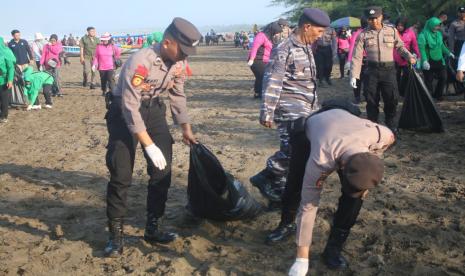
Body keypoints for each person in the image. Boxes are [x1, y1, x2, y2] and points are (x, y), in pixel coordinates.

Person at [103, 17, 201, 257]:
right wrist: (147, 144)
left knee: (162, 171)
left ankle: (153, 227)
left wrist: (185, 128)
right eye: (183, 50)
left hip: (154, 110)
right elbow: (129, 106)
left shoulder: (179, 62)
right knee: (121, 173)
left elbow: (178, 96)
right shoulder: (141, 61)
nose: (184, 56)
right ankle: (115, 236)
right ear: (168, 42)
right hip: (124, 112)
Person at [288, 109, 395, 276]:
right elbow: (308, 206)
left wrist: (373, 158)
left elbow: (389, 140)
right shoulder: (321, 159)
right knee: (296, 182)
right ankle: (285, 222)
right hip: (312, 130)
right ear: (342, 168)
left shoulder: (383, 135)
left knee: (354, 198)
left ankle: (333, 249)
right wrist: (301, 259)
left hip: (350, 127)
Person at [250, 8, 329, 206]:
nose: (321, 36)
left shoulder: (305, 47)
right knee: (291, 152)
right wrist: (267, 111)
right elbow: (272, 80)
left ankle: (276, 191)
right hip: (289, 111)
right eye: (319, 31)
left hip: (306, 109)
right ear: (307, 26)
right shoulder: (284, 48)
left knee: (296, 153)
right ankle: (269, 178)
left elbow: (308, 83)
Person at [351, 6, 416, 131]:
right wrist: (354, 75)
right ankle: (373, 126)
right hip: (371, 71)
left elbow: (400, 47)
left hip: (389, 71)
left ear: (381, 17)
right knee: (371, 100)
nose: (374, 21)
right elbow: (357, 57)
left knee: (391, 99)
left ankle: (390, 124)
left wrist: (409, 56)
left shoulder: (391, 31)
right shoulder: (363, 34)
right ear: (367, 20)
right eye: (370, 19)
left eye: (376, 18)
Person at [418, 17, 454, 101]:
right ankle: (429, 97)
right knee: (428, 80)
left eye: (438, 26)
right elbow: (422, 49)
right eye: (435, 26)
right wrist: (425, 61)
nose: (437, 28)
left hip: (439, 59)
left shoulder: (438, 34)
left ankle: (438, 94)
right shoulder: (423, 35)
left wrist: (448, 53)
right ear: (430, 25)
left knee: (443, 77)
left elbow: (441, 46)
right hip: (428, 60)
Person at [247, 22, 283, 98]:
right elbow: (255, 47)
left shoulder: (270, 38)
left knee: (260, 77)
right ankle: (260, 94)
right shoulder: (261, 36)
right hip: (257, 60)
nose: (276, 34)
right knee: (262, 76)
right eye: (276, 32)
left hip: (265, 60)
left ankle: (257, 93)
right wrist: (252, 59)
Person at [394, 17, 420, 97]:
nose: (399, 27)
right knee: (396, 76)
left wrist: (418, 55)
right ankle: (397, 91)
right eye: (398, 25)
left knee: (406, 75)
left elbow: (414, 45)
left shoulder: (410, 33)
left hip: (407, 57)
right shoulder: (393, 32)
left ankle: (404, 91)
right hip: (395, 57)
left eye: (401, 25)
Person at [92, 32, 121, 96]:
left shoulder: (113, 47)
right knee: (103, 80)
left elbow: (118, 53)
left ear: (109, 39)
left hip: (111, 66)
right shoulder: (98, 47)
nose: (104, 41)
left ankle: (112, 91)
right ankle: (104, 90)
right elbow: (96, 57)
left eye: (106, 39)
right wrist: (94, 64)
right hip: (101, 67)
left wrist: (116, 59)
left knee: (111, 80)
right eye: (103, 39)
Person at [347, 17, 368, 104]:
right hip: (359, 59)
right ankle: (357, 97)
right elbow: (352, 47)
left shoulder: (369, 32)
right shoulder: (358, 33)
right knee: (358, 79)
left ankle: (364, 95)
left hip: (368, 60)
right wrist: (349, 61)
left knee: (367, 79)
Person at [448, 6, 465, 94]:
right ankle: (460, 87)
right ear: (458, 13)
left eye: (464, 12)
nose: (463, 14)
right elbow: (451, 38)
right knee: (459, 66)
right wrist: (451, 49)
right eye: (461, 12)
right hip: (459, 46)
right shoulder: (454, 24)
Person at [0, 37, 16, 124]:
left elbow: (10, 68)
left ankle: (3, 116)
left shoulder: (6, 52)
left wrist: (10, 80)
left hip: (3, 80)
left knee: (4, 99)